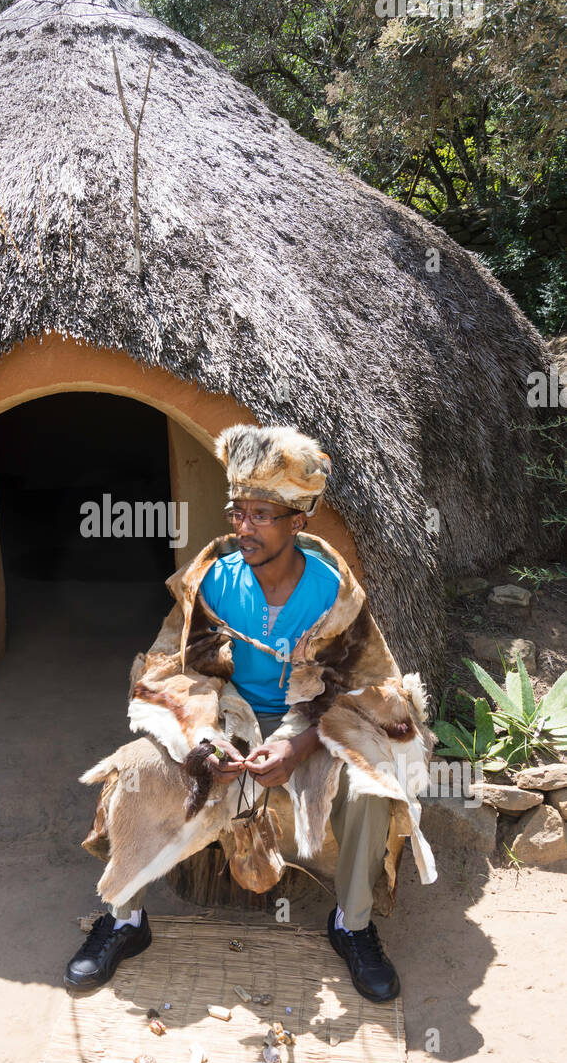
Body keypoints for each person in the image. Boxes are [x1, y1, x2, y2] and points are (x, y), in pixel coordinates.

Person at [64, 424, 437, 1002]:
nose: (244, 527)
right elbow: (171, 668)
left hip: (308, 728)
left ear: (297, 521)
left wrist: (299, 746)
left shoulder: (332, 593)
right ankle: (124, 919)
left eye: (262, 515)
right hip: (227, 722)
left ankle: (353, 927)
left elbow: (364, 689)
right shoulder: (213, 579)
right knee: (137, 766)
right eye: (238, 511)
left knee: (372, 789)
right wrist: (207, 737)